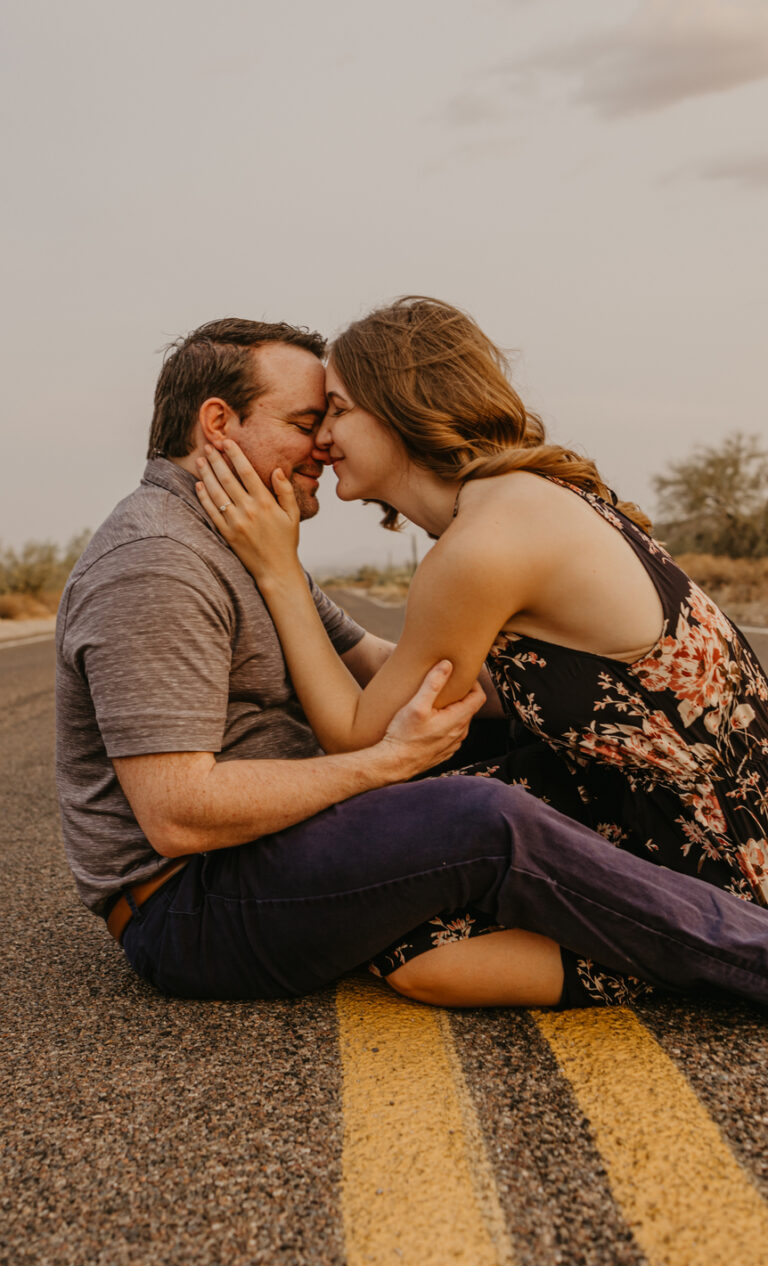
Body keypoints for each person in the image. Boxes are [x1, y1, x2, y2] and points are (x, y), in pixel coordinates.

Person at [192, 298, 768, 1008]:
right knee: (398, 861)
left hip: (703, 845)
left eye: (335, 411)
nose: (322, 439)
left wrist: (279, 574)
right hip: (689, 798)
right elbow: (431, 680)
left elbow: (356, 734)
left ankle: (698, 955)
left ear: (398, 406)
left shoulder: (481, 547)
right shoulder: (517, 498)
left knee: (414, 952)